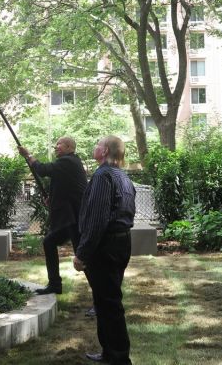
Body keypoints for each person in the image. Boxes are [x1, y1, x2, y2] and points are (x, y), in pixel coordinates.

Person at [73, 136, 135, 365]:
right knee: (105, 300)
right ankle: (109, 353)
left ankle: (118, 358)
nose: (94, 147)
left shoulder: (102, 175)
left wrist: (82, 253)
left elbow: (97, 220)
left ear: (105, 150)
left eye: (98, 144)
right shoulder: (123, 176)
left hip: (106, 247)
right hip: (122, 244)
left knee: (108, 303)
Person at [19, 137, 87, 295]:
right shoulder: (67, 163)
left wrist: (28, 155)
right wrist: (52, 198)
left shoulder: (68, 161)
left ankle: (101, 298)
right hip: (68, 218)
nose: (55, 147)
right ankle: (55, 285)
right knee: (50, 242)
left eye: (59, 144)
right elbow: (64, 187)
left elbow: (42, 170)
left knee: (83, 257)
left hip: (75, 218)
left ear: (69, 147)